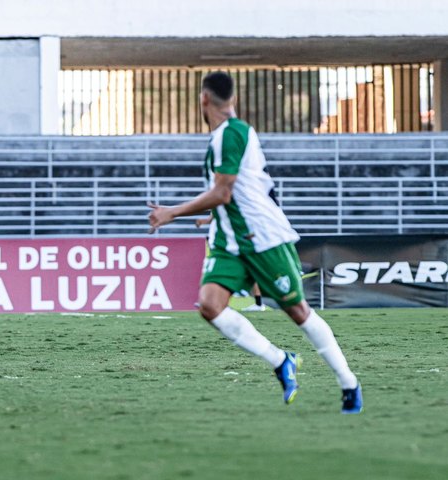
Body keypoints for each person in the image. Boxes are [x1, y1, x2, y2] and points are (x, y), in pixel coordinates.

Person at [147, 71, 362, 414]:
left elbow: (222, 192)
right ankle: (280, 361)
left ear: (204, 98)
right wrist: (205, 216)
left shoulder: (230, 134)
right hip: (230, 240)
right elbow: (235, 193)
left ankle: (348, 382)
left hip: (262, 237)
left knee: (298, 311)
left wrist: (173, 212)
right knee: (210, 305)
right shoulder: (226, 135)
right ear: (232, 98)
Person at [196, 215, 266, 312]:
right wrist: (205, 220)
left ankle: (252, 299)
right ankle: (254, 301)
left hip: (232, 240)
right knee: (220, 270)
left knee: (227, 270)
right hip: (226, 239)